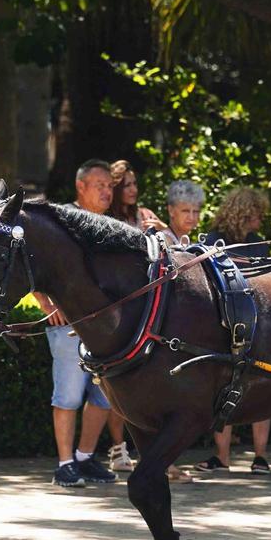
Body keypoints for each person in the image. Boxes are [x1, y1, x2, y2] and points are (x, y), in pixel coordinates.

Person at [33, 159, 120, 487]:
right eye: (100, 185)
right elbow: (32, 264)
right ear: (80, 186)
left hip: (104, 328)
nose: (107, 191)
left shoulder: (109, 226)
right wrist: (45, 301)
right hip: (68, 324)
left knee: (103, 396)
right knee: (68, 395)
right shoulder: (59, 221)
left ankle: (85, 457)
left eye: (110, 186)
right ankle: (64, 464)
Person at [106, 160, 194, 484]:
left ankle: (156, 458)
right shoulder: (108, 219)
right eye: (126, 184)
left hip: (145, 306)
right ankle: (118, 448)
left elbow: (164, 247)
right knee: (115, 385)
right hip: (118, 306)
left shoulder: (142, 215)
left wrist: (156, 231)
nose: (133, 190)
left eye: (134, 183)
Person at [195, 187, 271, 475]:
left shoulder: (247, 242)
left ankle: (249, 457)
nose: (260, 221)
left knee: (246, 384)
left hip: (240, 318)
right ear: (246, 212)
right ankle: (236, 457)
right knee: (235, 385)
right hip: (236, 319)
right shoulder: (216, 240)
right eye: (258, 215)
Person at [147, 180, 204, 244]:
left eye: (196, 211)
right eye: (185, 211)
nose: (191, 217)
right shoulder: (165, 241)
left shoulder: (184, 240)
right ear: (171, 210)